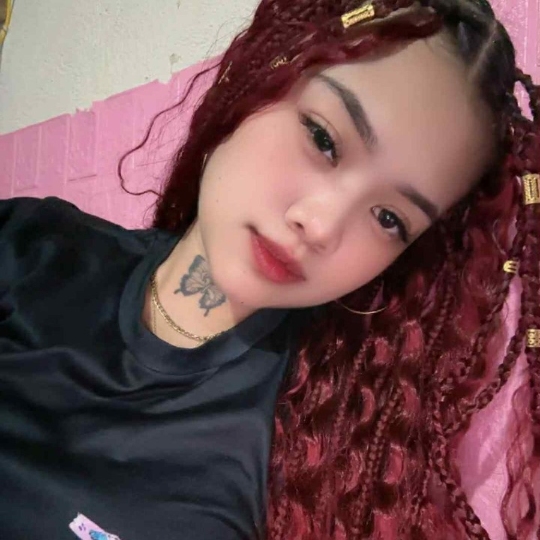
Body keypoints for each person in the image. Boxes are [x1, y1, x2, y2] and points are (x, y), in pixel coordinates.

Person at [0, 0, 539, 538]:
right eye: (323, 139)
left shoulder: (314, 460)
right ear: (263, 79)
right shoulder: (32, 248)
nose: (321, 225)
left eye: (388, 218)